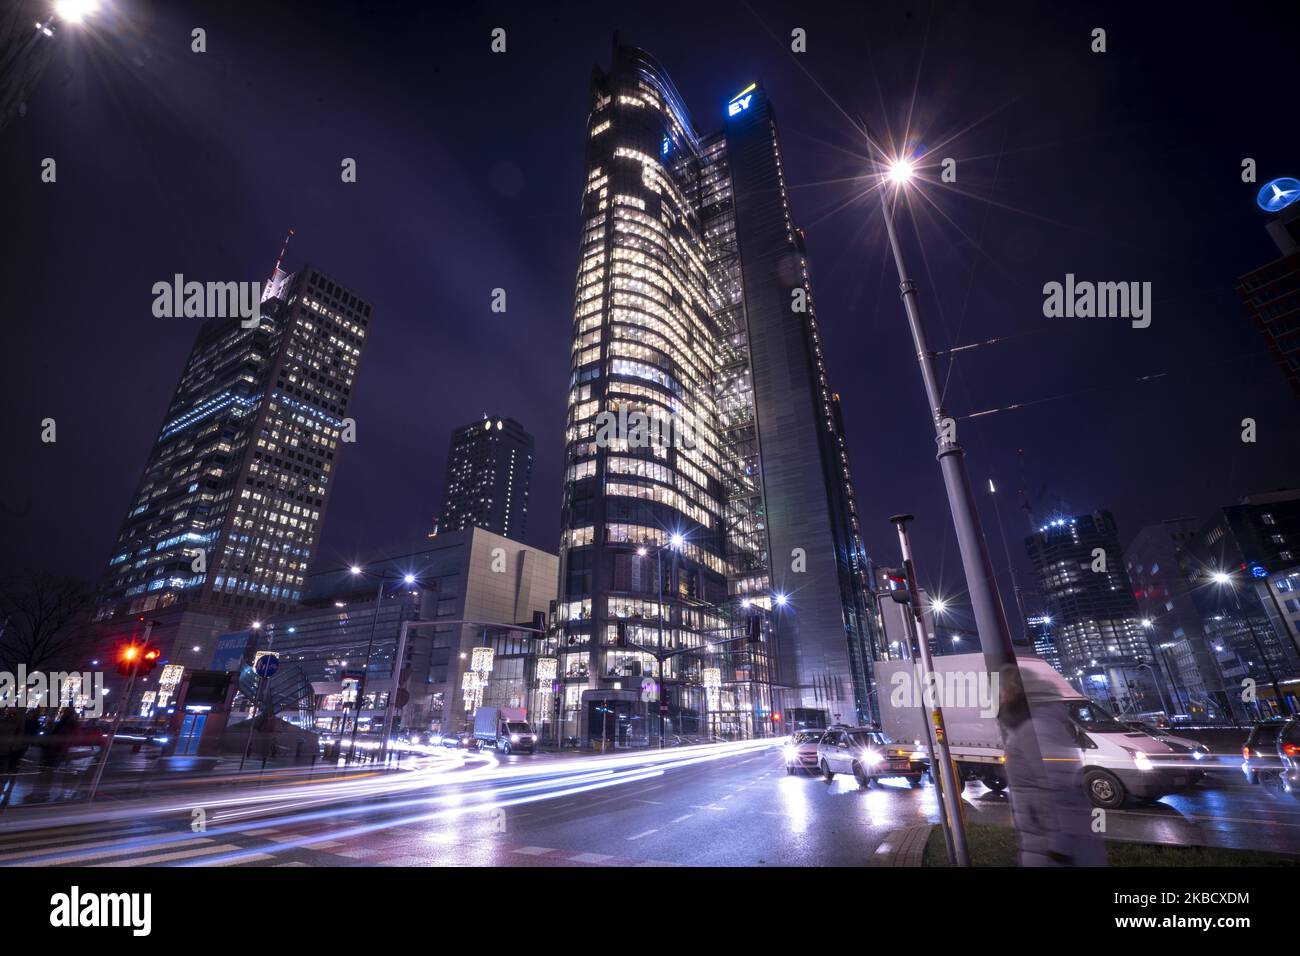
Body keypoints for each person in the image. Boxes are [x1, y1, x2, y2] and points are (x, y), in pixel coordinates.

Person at [998, 663, 1107, 867]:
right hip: (1042, 841)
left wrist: (1060, 846)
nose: (1001, 696)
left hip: (1052, 849)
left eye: (1003, 690)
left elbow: (1059, 788)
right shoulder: (1031, 726)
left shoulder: (1035, 729)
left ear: (1015, 689)